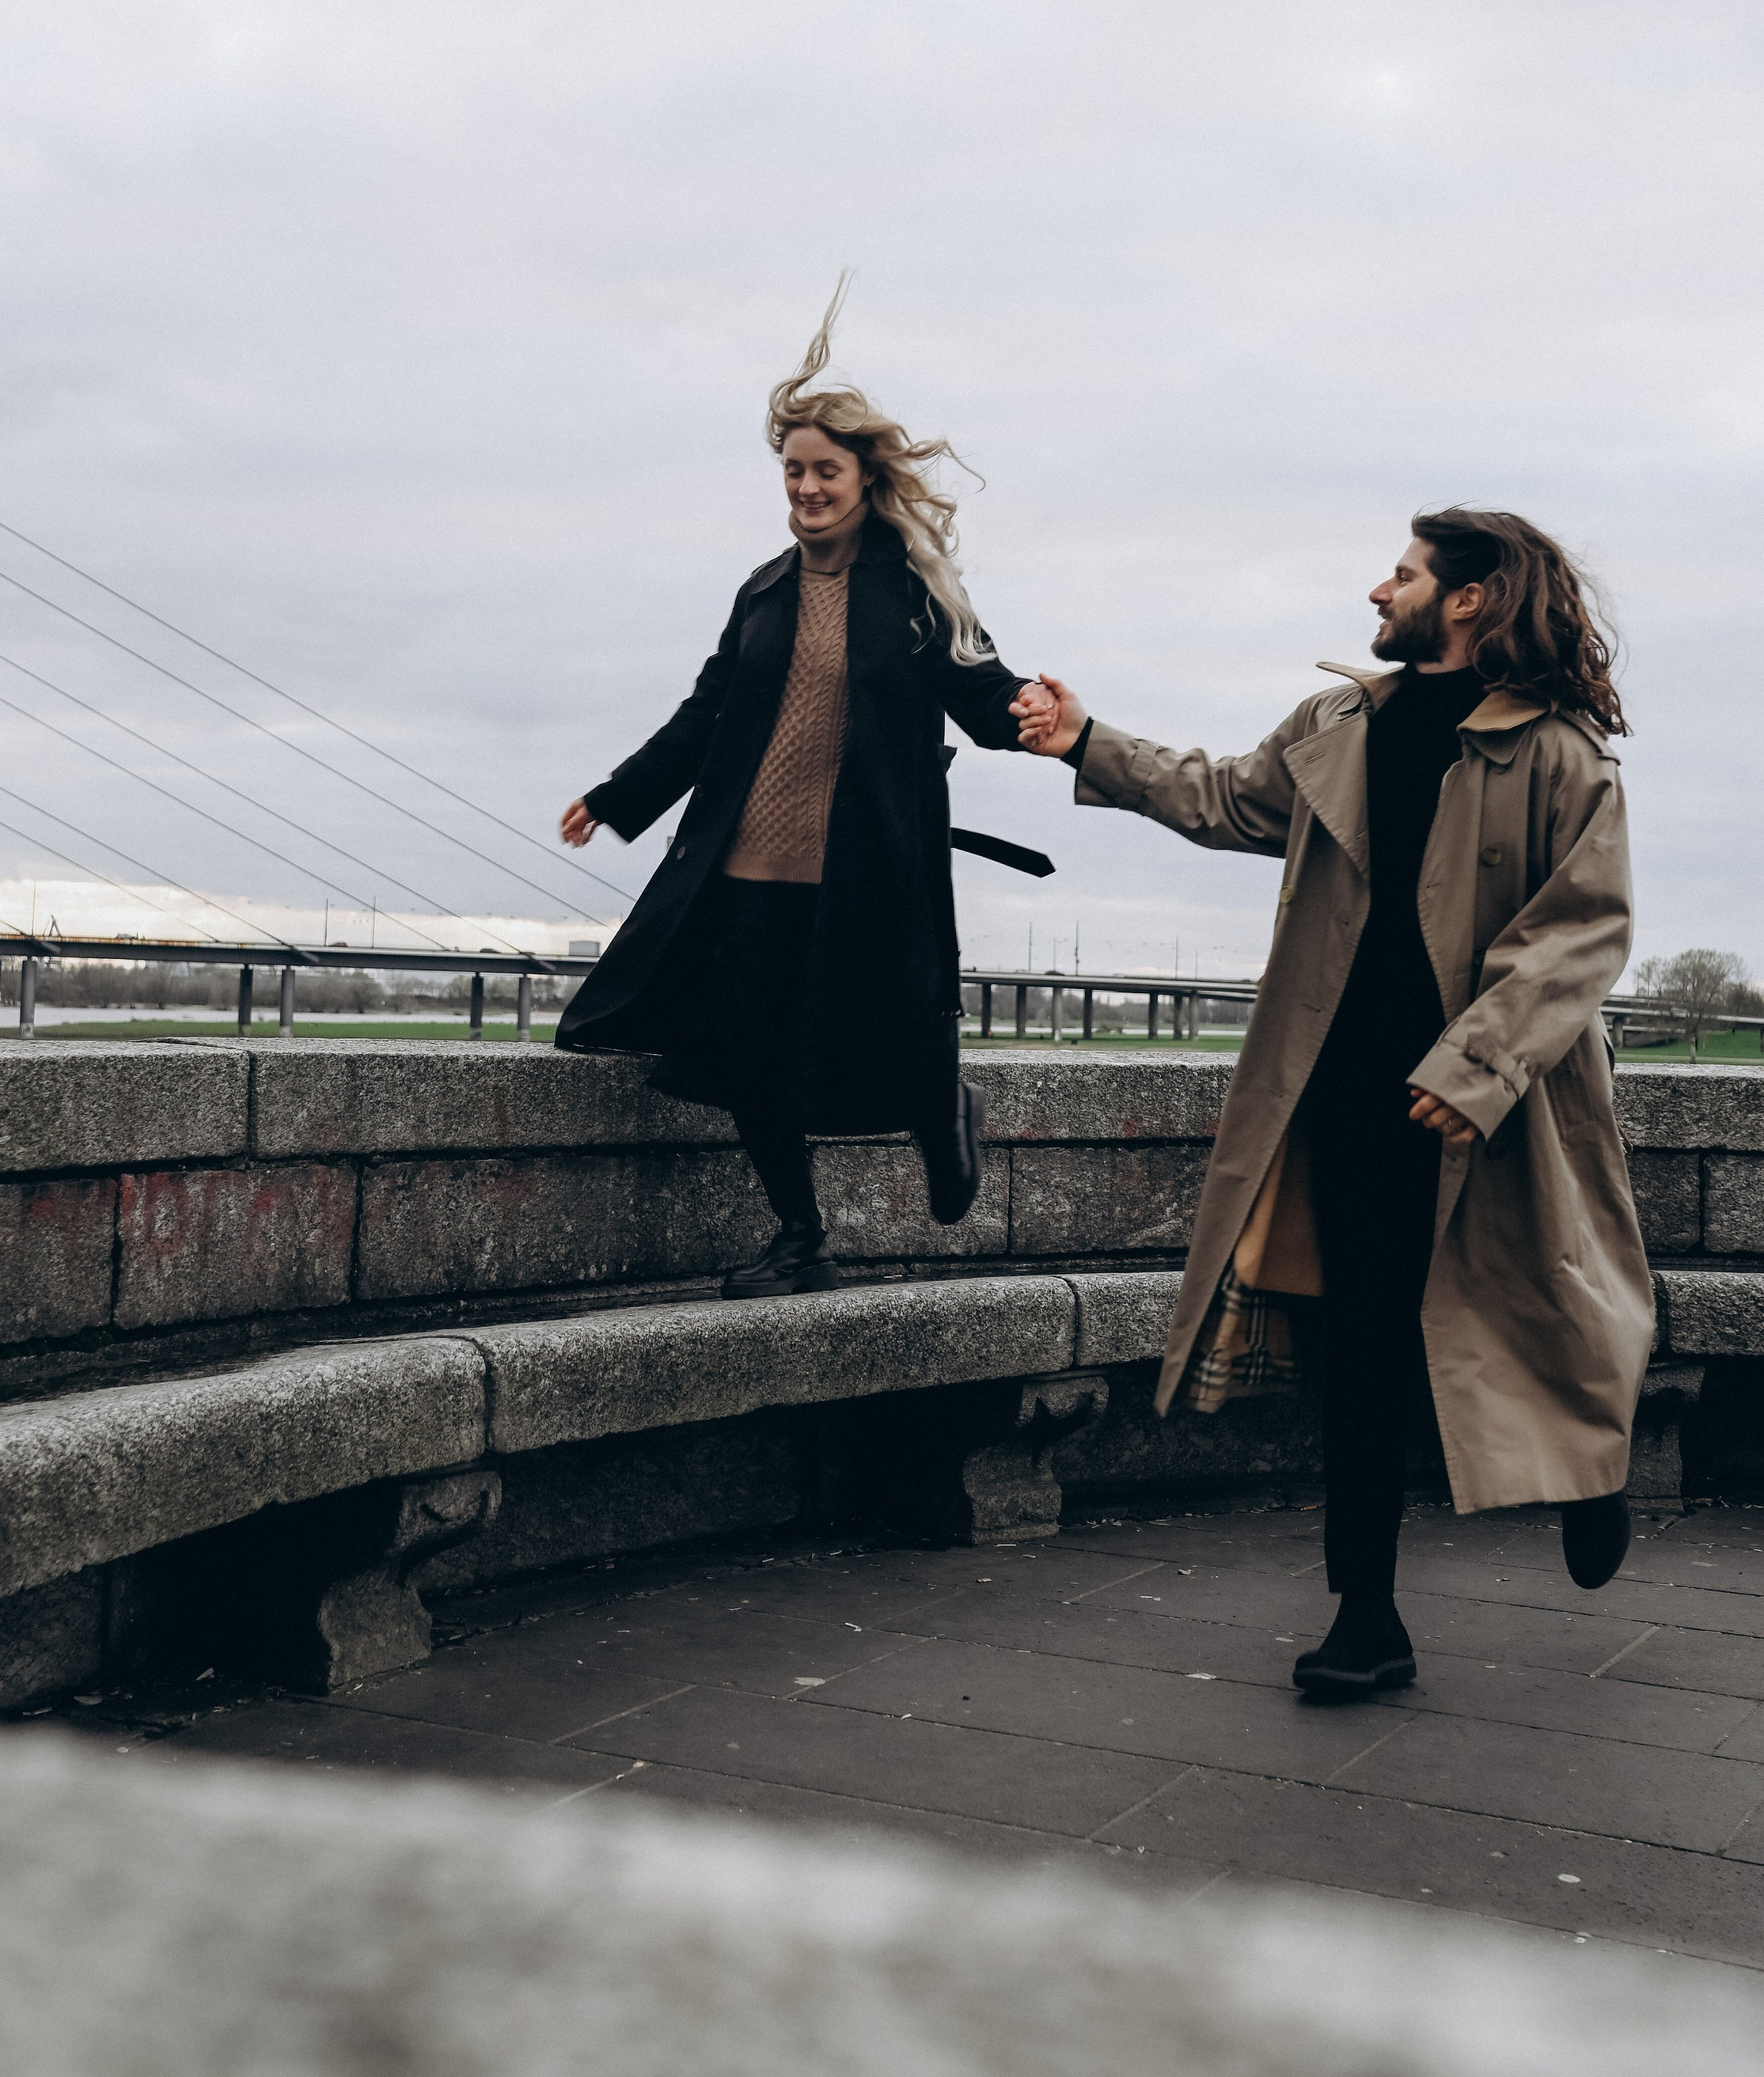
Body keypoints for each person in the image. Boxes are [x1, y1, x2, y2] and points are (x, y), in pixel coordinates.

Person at [1015, 507, 1653, 1700]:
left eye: (1403, 575)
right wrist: (1083, 740)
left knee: (1556, 1307)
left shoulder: (1563, 756)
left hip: (1496, 1106)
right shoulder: (1339, 723)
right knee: (1363, 1351)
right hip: (1347, 1096)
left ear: (1467, 599)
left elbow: (1582, 935)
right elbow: (1224, 797)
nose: (1379, 591)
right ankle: (1368, 1617)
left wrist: (1472, 1072)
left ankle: (1591, 1472)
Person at [556, 293, 1049, 1298]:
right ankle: (799, 1233)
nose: (807, 486)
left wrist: (1037, 715)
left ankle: (940, 1109)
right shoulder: (764, 589)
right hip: (743, 865)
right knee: (749, 1058)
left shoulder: (912, 587)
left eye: (826, 469)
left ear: (866, 477)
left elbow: (980, 690)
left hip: (862, 862)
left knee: (881, 1025)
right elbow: (706, 713)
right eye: (794, 470)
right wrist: (616, 796)